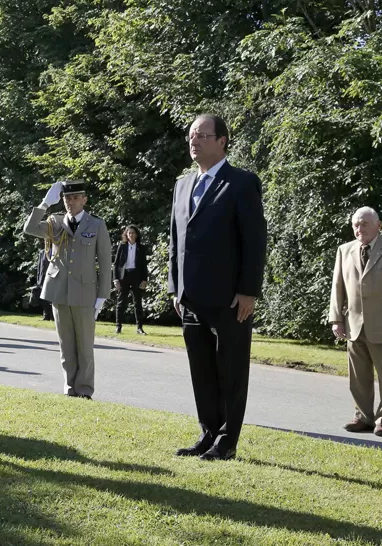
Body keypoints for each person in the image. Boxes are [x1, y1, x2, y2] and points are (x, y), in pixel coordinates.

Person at [168, 114, 267, 460]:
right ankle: (208, 432)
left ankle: (227, 441)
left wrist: (248, 291)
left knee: (231, 369)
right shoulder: (182, 185)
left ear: (222, 141)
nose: (194, 141)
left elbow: (254, 242)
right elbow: (176, 242)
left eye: (202, 135)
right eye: (191, 136)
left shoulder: (241, 183)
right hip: (191, 297)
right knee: (202, 370)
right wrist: (175, 288)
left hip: (230, 299)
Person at [23, 180, 111, 399]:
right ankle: (70, 387)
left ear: (84, 199)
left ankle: (85, 389)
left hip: (85, 292)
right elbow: (30, 228)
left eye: (75, 198)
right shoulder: (55, 222)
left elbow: (105, 261)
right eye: (66, 198)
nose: (70, 202)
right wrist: (44, 204)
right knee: (66, 346)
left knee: (85, 346)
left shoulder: (96, 225)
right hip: (59, 290)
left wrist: (102, 295)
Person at [329, 207, 382, 437]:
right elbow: (337, 288)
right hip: (353, 325)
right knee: (358, 377)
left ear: (378, 225)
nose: (359, 228)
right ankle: (363, 417)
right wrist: (336, 318)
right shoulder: (344, 250)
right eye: (356, 224)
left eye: (364, 223)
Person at [113, 225, 149, 335]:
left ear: (136, 234)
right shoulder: (122, 246)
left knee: (138, 303)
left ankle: (139, 328)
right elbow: (116, 264)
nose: (131, 235)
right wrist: (115, 279)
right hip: (124, 276)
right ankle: (118, 327)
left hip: (136, 276)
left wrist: (144, 279)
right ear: (126, 235)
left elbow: (144, 265)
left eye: (133, 233)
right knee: (121, 302)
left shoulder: (141, 248)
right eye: (129, 233)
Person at [36, 247, 53, 321]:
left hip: (52, 277)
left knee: (52, 298)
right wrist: (38, 279)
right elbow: (39, 266)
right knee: (43, 298)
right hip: (42, 278)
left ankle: (53, 316)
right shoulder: (42, 252)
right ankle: (46, 315)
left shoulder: (55, 251)